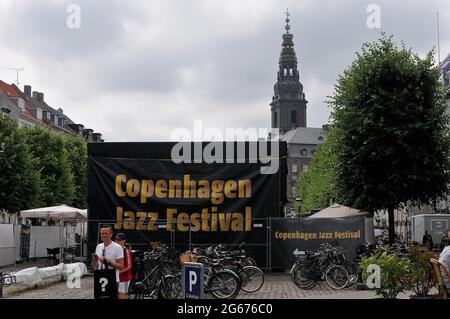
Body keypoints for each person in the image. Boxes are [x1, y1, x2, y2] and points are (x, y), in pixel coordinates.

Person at [91, 225, 124, 297]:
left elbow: (121, 266)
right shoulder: (99, 246)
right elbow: (96, 266)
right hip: (100, 279)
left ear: (111, 234)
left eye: (106, 233)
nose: (104, 235)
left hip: (112, 280)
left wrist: (108, 262)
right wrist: (94, 262)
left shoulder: (117, 247)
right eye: (102, 233)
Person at [115, 233, 133, 299]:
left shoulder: (126, 251)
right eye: (116, 240)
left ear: (124, 241)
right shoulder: (115, 249)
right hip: (115, 277)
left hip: (124, 277)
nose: (117, 242)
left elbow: (129, 266)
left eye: (119, 240)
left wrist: (118, 272)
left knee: (122, 296)